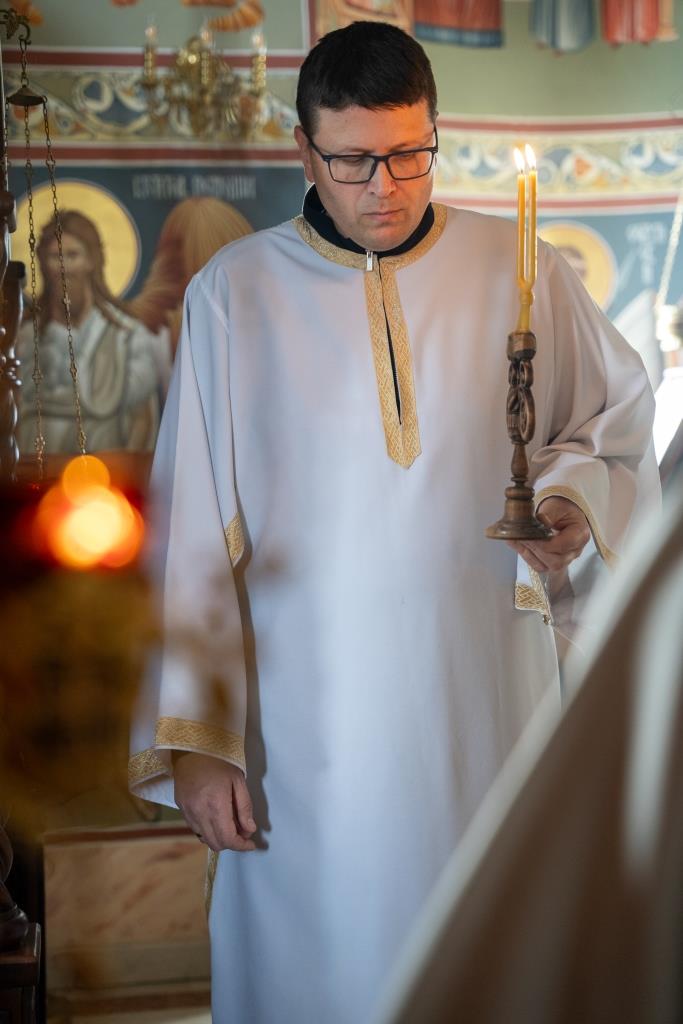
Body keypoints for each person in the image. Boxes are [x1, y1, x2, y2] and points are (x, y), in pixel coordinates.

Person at [129, 21, 659, 1024]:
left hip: (490, 701)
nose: (385, 186)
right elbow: (190, 536)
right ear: (304, 151)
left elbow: (615, 427)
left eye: (411, 153)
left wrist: (567, 502)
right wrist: (198, 743)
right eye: (353, 160)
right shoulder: (233, 298)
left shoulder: (521, 269)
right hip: (308, 734)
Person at [18, 211, 165, 455]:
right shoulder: (25, 336)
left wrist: (126, 469)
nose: (63, 267)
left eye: (72, 255)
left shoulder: (125, 334)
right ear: (43, 263)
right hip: (36, 466)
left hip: (106, 468)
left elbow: (142, 419)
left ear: (91, 260)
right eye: (55, 256)